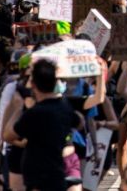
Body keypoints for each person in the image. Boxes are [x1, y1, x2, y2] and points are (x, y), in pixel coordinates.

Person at [7, 58, 80, 191]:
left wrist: (17, 108)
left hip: (40, 178)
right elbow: (79, 122)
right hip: (57, 173)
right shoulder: (64, 107)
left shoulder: (35, 113)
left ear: (33, 84)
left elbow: (8, 135)